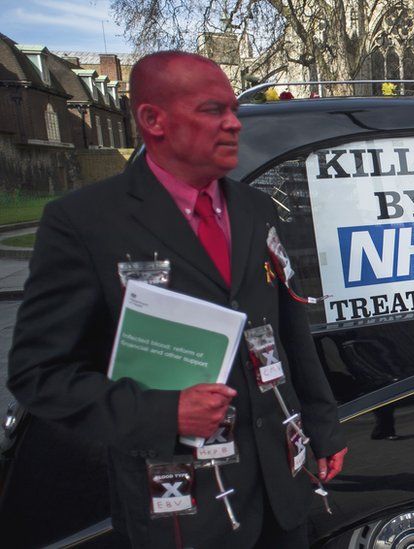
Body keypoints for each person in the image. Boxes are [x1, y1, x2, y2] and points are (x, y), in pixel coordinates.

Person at [7, 51, 347, 548]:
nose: (234, 124)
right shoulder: (84, 223)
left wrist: (322, 424)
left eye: (233, 109)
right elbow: (39, 374)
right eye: (213, 110)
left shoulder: (254, 207)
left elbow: (288, 325)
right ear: (152, 120)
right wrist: (165, 414)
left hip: (282, 487)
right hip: (182, 513)